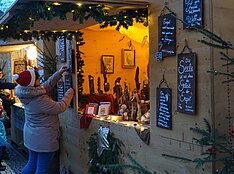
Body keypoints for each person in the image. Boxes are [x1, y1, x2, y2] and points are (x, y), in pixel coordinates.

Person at [14, 66, 74, 174]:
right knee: (42, 169)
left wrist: (59, 73)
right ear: (33, 83)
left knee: (31, 164)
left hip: (32, 136)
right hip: (44, 139)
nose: (40, 81)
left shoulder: (27, 93)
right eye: (37, 79)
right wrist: (69, 93)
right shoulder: (40, 100)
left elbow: (46, 86)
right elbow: (60, 107)